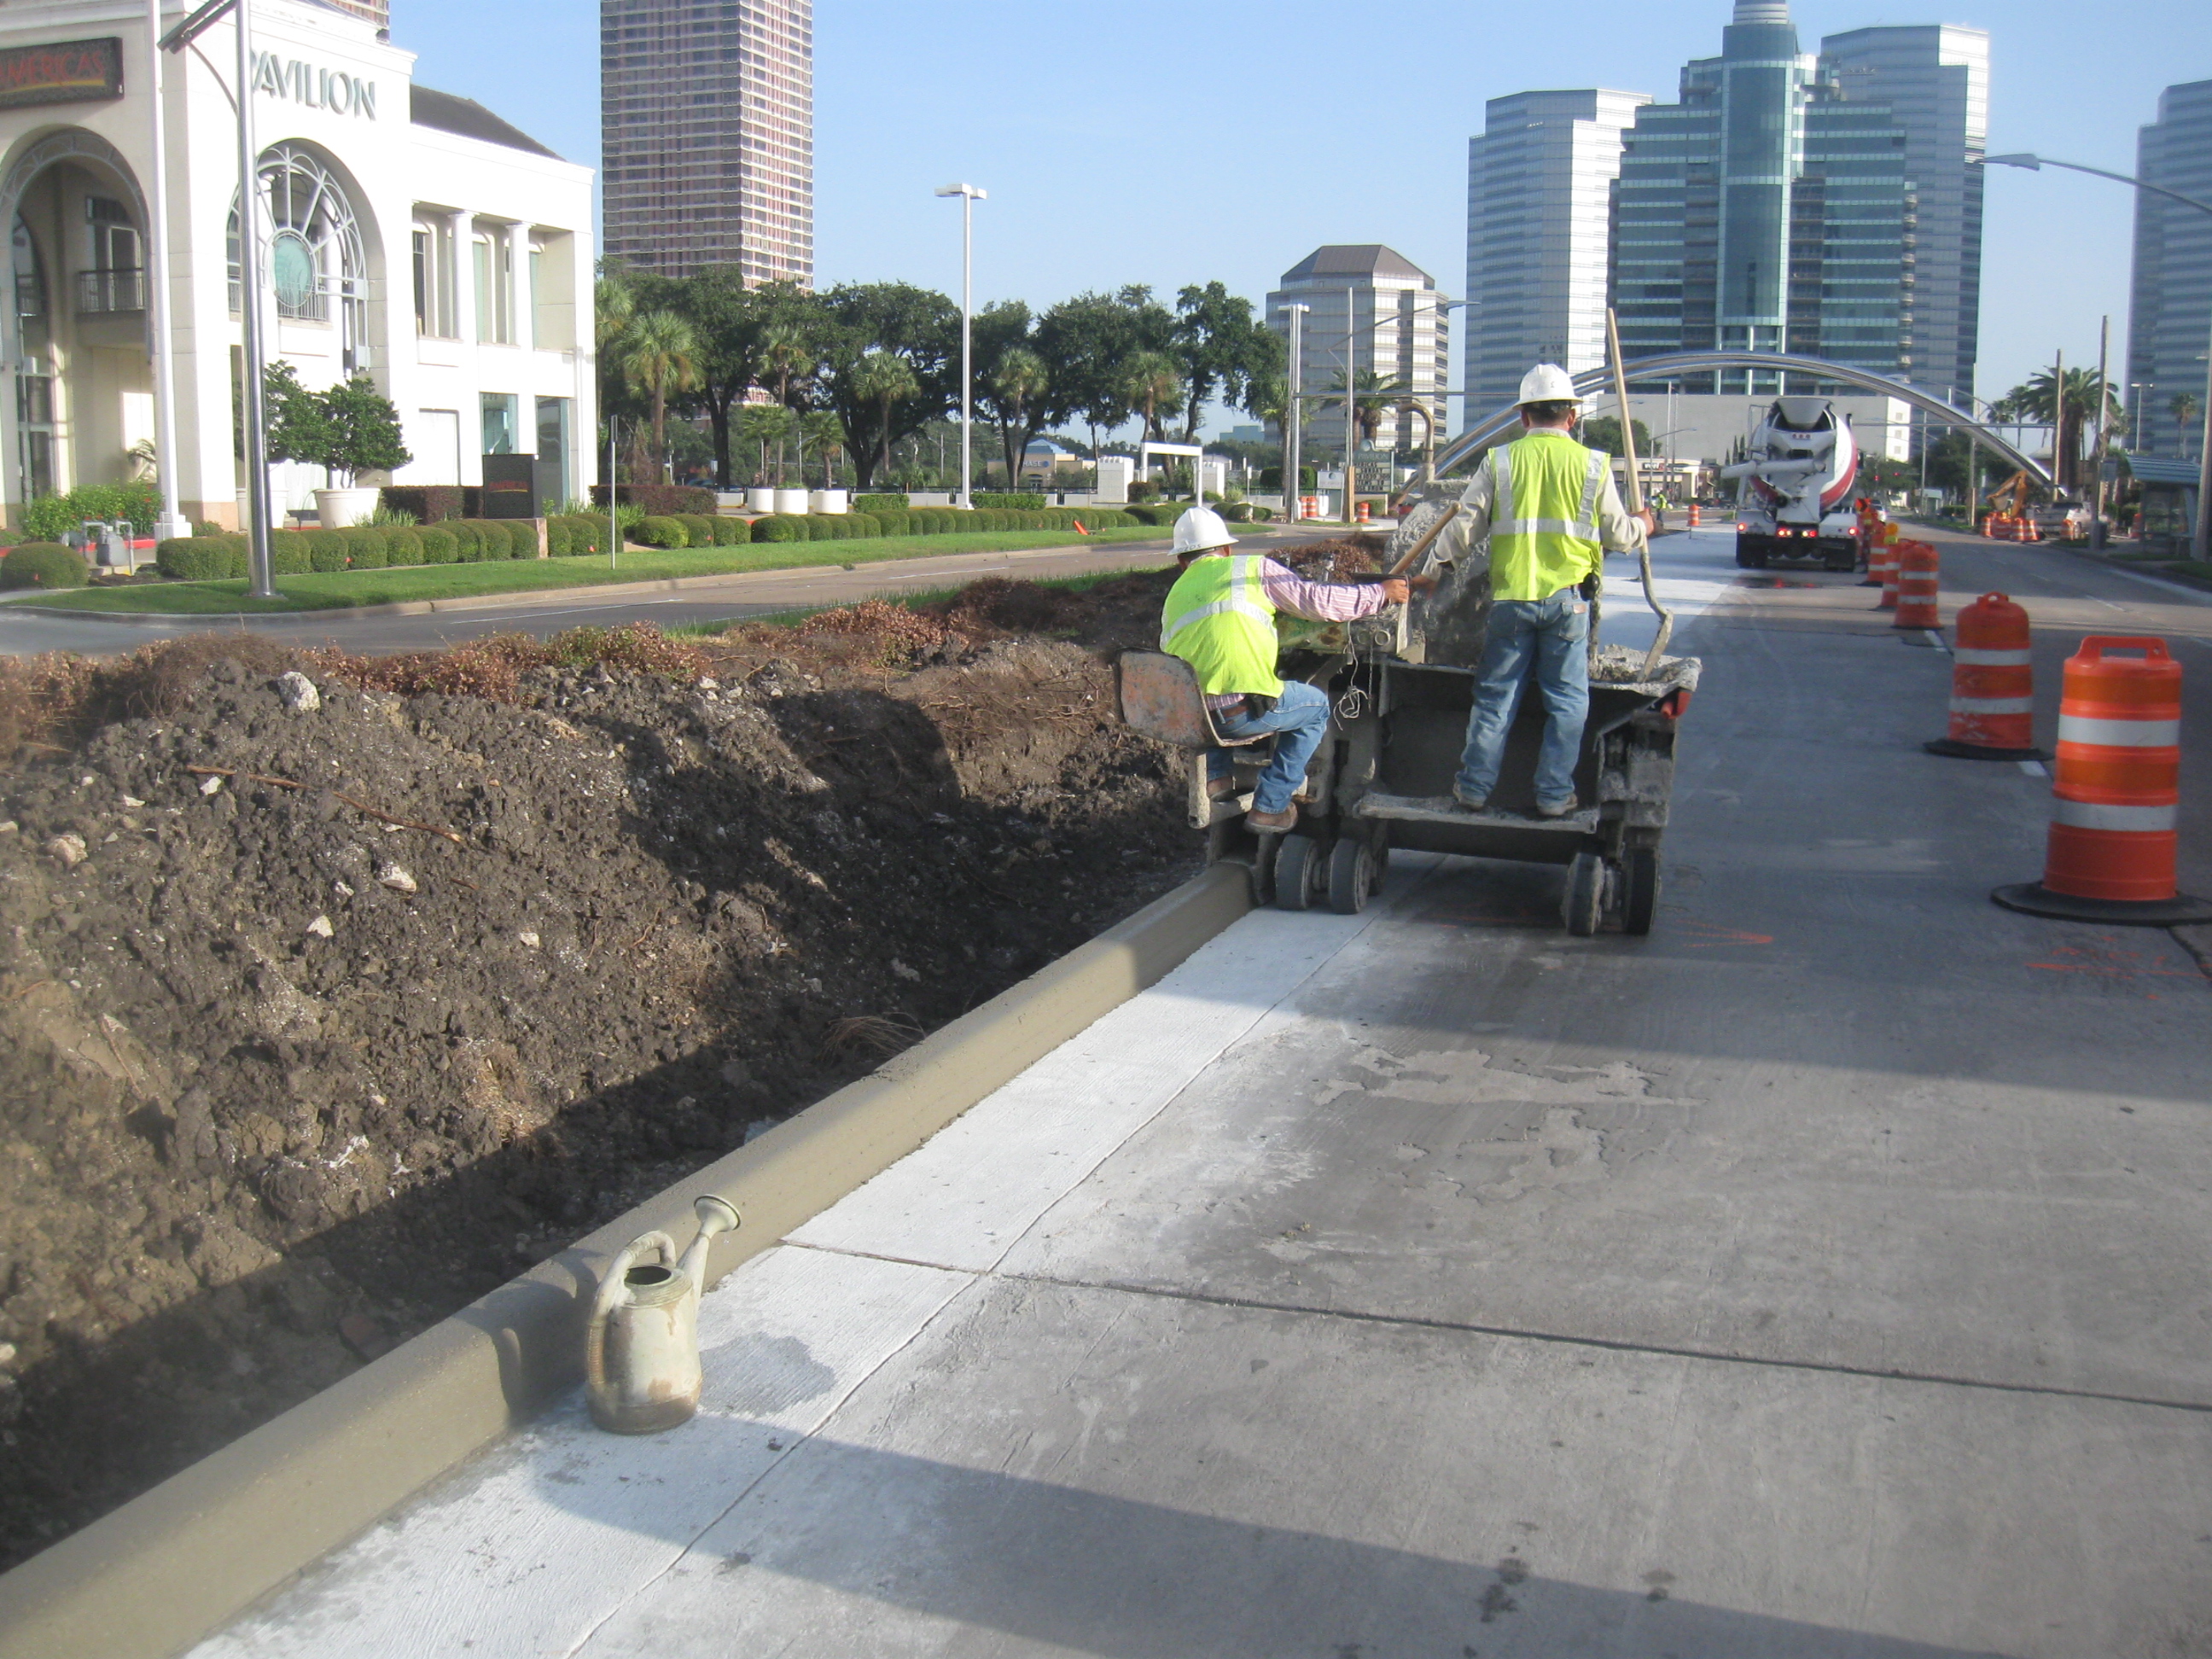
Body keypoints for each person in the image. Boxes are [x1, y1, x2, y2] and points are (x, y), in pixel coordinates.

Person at [1447, 364, 1656, 818]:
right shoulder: (1594, 464)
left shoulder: (1499, 460)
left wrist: (1434, 568)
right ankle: (1553, 794)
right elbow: (1619, 535)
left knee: (1495, 701)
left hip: (1510, 600)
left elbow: (1463, 526)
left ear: (1524, 417)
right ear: (1572, 416)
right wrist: (1645, 525)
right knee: (1567, 704)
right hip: (1568, 604)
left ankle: (1474, 789)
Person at [1159, 505, 1410, 833]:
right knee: (1317, 707)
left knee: (1205, 692)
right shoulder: (1250, 569)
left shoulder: (1174, 595)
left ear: (1181, 560)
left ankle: (1217, 780)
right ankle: (1270, 806)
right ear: (1226, 549)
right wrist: (1380, 593)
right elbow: (1317, 601)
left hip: (1192, 719)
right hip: (1239, 714)